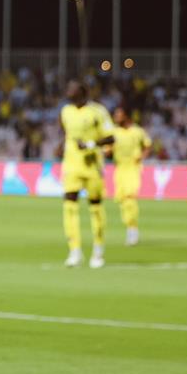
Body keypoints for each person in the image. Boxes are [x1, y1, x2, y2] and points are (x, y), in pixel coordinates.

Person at [58, 81, 115, 268]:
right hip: (71, 166)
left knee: (95, 208)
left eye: (71, 88)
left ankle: (98, 252)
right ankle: (74, 251)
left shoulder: (97, 111)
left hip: (92, 166)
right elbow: (66, 133)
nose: (68, 91)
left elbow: (111, 136)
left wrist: (91, 145)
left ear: (82, 92)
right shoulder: (65, 111)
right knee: (69, 206)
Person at [110, 105, 151, 246]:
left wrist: (142, 156)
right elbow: (107, 150)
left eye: (118, 115)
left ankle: (132, 229)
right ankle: (129, 226)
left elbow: (147, 145)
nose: (116, 117)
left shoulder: (137, 131)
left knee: (130, 197)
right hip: (119, 168)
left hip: (133, 168)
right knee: (122, 200)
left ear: (126, 116)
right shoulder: (114, 132)